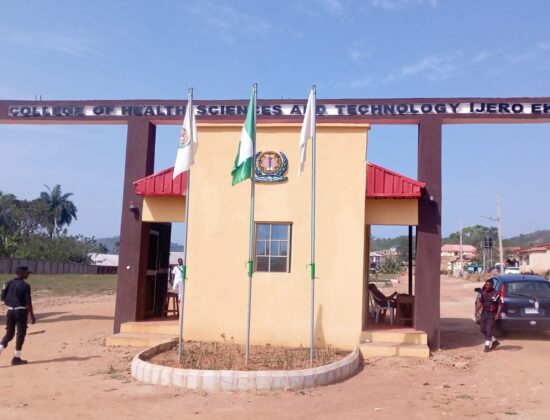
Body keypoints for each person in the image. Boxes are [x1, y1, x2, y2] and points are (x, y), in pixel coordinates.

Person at [0, 266, 36, 365]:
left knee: (9, 334)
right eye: (26, 273)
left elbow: (2, 298)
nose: (28, 274)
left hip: (10, 311)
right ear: (21, 273)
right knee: (21, 333)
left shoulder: (7, 283)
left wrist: (11, 301)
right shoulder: (25, 286)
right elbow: (28, 303)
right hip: (21, 312)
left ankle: (0, 348)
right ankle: (16, 358)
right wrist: (32, 316)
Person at [475, 278, 502, 353]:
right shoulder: (483, 293)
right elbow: (481, 302)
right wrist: (476, 310)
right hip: (484, 313)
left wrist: (497, 314)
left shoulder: (496, 294)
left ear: (492, 286)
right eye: (485, 285)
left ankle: (487, 346)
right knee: (482, 329)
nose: (486, 286)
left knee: (488, 329)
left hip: (492, 314)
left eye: (488, 285)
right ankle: (494, 341)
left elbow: (500, 304)